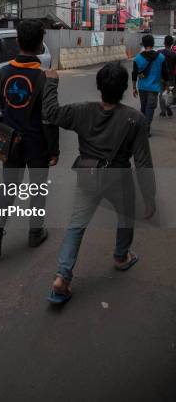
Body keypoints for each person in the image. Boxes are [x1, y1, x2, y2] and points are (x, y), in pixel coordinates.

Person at [42, 62, 156, 304]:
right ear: (124, 89)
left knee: (76, 227)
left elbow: (50, 113)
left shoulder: (81, 111)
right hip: (119, 180)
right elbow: (143, 163)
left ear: (99, 87)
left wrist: (52, 82)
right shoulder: (135, 119)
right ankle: (121, 257)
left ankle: (62, 276)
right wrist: (149, 198)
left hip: (88, 177)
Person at [0, 19, 59, 261]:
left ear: (18, 42)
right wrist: (54, 149)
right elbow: (49, 117)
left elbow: (2, 105)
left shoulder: (3, 72)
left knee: (7, 188)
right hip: (37, 143)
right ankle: (35, 233)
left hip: (11, 140)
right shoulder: (45, 77)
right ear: (40, 46)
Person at [132, 34, 168, 135]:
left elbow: (134, 74)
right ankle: (146, 128)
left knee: (143, 108)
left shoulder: (137, 58)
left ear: (143, 44)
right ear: (153, 44)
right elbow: (165, 74)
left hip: (142, 87)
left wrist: (134, 88)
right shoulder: (161, 58)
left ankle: (143, 127)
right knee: (150, 108)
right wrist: (166, 86)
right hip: (154, 88)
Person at [158, 35, 176, 117]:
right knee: (169, 93)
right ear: (172, 43)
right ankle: (168, 108)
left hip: (161, 77)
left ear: (164, 42)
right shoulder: (174, 54)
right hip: (171, 77)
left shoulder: (159, 52)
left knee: (161, 93)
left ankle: (163, 111)